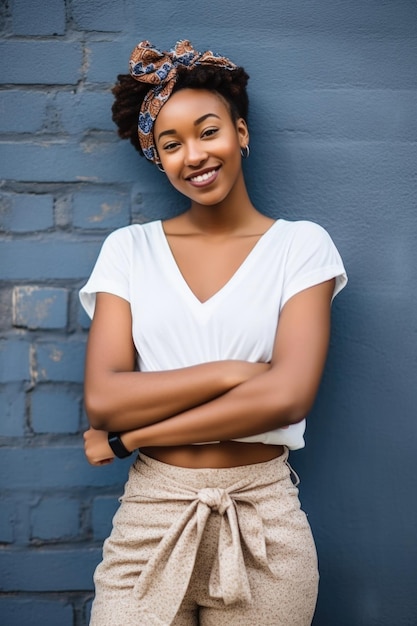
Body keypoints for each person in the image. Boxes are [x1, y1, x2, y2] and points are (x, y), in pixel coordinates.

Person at [79, 40, 347, 626]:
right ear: (157, 158)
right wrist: (231, 373)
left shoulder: (301, 247)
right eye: (170, 144)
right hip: (151, 517)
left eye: (208, 131)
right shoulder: (129, 250)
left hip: (262, 521)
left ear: (241, 132)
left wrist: (128, 438)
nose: (194, 155)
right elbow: (103, 398)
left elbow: (286, 397)